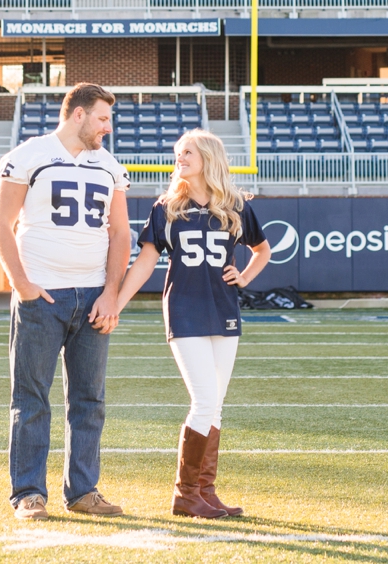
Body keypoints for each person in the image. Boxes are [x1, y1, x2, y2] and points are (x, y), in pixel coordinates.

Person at [113, 128, 271, 519]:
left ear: (208, 159)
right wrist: (117, 302)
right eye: (178, 153)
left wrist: (246, 277)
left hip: (224, 308)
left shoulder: (235, 205)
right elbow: (147, 261)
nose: (179, 158)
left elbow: (262, 249)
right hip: (184, 308)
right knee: (203, 401)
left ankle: (204, 491)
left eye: (187, 153)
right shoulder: (166, 207)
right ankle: (185, 495)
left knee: (215, 406)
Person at [0, 82, 130, 521]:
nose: (108, 128)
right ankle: (29, 493)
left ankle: (83, 491)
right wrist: (24, 286)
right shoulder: (29, 155)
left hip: (92, 297)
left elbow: (121, 234)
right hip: (42, 296)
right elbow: (1, 225)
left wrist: (111, 293)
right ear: (79, 115)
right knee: (31, 398)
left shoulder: (108, 165)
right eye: (103, 118)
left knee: (90, 399)